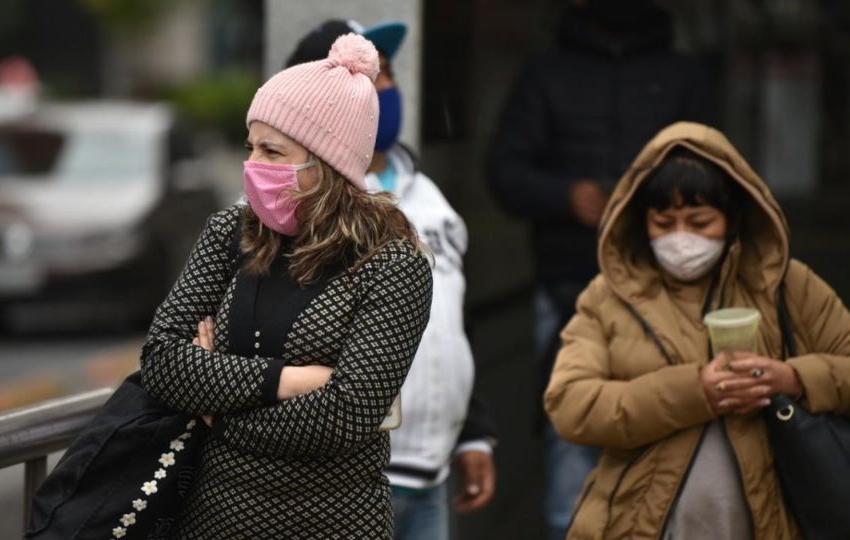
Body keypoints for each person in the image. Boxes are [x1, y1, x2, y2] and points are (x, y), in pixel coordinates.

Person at [139, 34, 433, 538]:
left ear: (329, 165)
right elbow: (163, 361)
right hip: (213, 520)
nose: (253, 164)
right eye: (251, 146)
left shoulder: (393, 264)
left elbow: (348, 415)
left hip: (334, 522)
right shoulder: (230, 233)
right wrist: (285, 381)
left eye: (273, 151)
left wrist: (217, 410)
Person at [544, 122, 850, 539]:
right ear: (641, 222)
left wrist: (794, 378)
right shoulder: (608, 298)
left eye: (699, 221)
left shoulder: (786, 285)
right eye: (664, 222)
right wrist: (695, 392)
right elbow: (570, 404)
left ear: (733, 219)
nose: (680, 237)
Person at [486, 2, 715, 535]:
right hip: (570, 286)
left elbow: (718, 171)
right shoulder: (546, 73)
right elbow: (503, 169)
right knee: (573, 440)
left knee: (672, 440)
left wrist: (657, 201)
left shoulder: (681, 75)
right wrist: (565, 196)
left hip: (671, 291)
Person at [286, 19, 497, 540]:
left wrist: (473, 434)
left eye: (386, 73)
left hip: (431, 473)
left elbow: (448, 322)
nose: (382, 88)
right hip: (341, 477)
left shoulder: (428, 195)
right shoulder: (296, 207)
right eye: (362, 77)